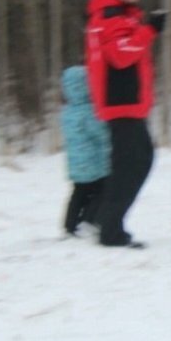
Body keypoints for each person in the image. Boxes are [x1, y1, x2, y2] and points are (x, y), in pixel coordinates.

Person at [84, 0, 166, 248]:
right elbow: (120, 56)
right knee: (132, 166)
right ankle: (110, 230)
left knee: (138, 161)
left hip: (126, 103)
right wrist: (149, 31)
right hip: (121, 102)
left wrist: (144, 29)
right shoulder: (110, 15)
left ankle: (99, 217)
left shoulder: (121, 14)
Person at [60, 64, 110, 237]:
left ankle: (70, 225)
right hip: (94, 164)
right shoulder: (89, 111)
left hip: (75, 164)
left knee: (78, 194)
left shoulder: (67, 112)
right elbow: (100, 134)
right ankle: (88, 220)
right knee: (101, 192)